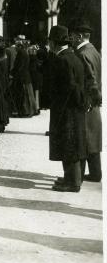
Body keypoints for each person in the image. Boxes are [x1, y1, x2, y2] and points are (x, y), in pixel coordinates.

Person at [47, 25, 87, 192]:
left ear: (54, 43)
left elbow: (68, 87)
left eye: (50, 42)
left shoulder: (62, 60)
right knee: (74, 143)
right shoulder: (74, 56)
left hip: (66, 110)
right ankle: (71, 178)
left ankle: (73, 183)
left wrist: (59, 108)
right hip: (75, 108)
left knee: (69, 144)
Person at [70, 22, 102, 183]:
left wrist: (89, 100)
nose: (71, 39)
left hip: (87, 103)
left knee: (82, 138)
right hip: (93, 103)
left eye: (73, 36)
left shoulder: (82, 53)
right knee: (93, 138)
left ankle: (78, 176)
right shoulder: (94, 51)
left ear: (79, 36)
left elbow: (90, 80)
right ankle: (96, 173)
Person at [11, 35, 36, 117]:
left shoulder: (21, 53)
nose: (15, 48)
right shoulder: (24, 52)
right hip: (26, 76)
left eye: (16, 47)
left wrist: (13, 74)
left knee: (24, 95)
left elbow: (19, 66)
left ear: (19, 47)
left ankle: (25, 111)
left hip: (22, 77)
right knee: (28, 94)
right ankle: (30, 111)